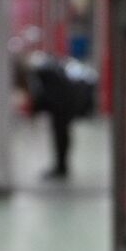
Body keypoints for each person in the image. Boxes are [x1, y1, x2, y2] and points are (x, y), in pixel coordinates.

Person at [17, 50, 96, 179]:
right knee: (62, 137)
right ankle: (61, 166)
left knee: (61, 137)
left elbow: (43, 96)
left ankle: (61, 167)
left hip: (62, 108)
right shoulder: (48, 70)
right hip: (65, 107)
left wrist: (34, 110)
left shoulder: (41, 74)